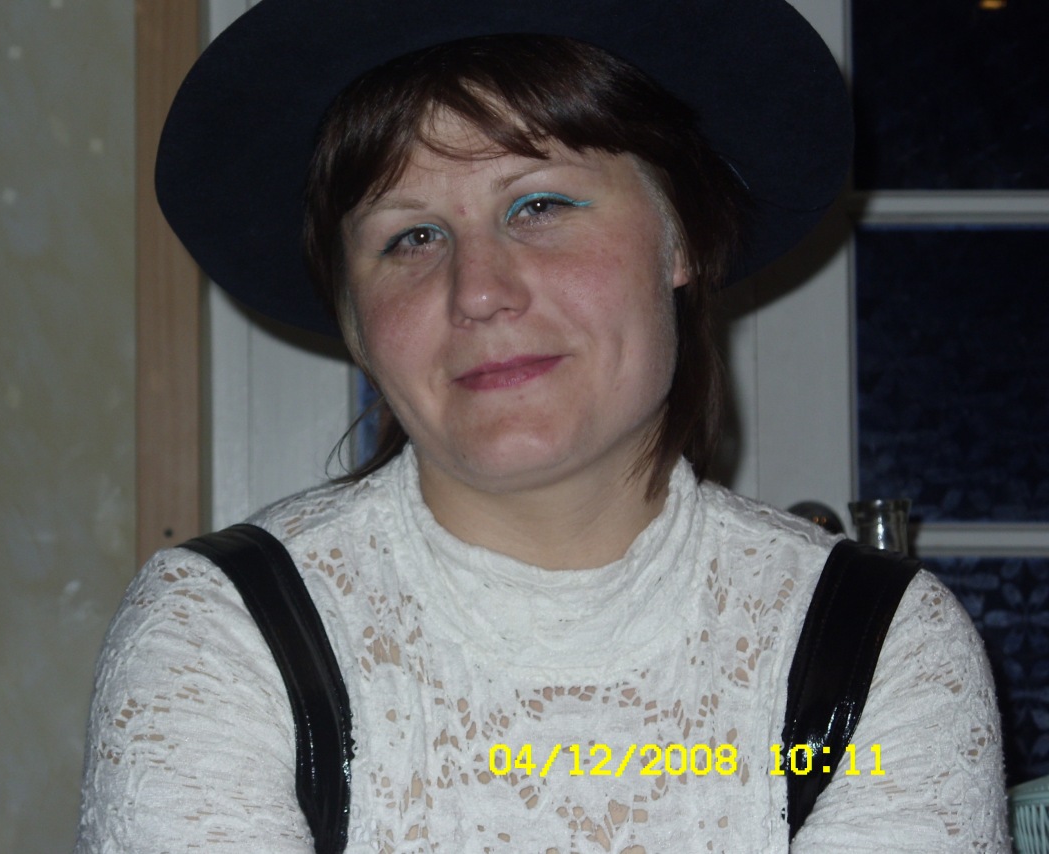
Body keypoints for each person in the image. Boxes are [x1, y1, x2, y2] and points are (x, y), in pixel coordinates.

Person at [76, 1, 1009, 850]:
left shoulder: (881, 649)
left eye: (540, 205)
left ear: (682, 238)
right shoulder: (219, 637)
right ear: (356, 321)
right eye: (411, 236)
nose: (479, 290)